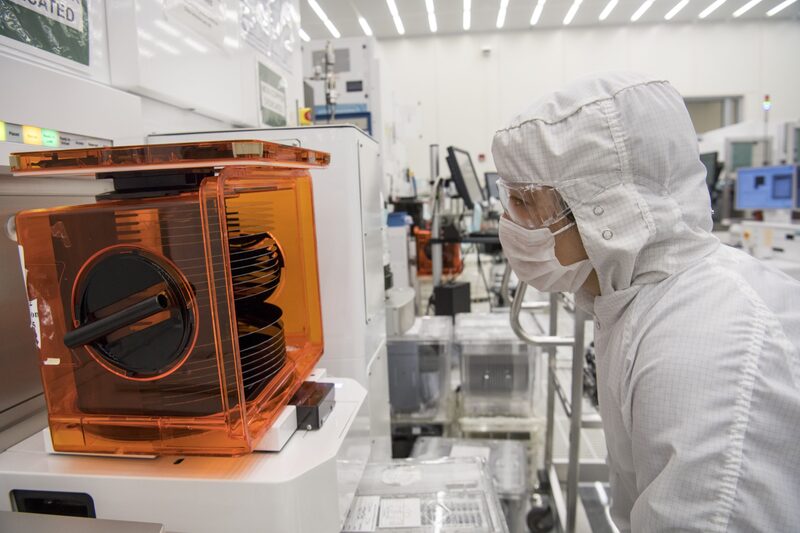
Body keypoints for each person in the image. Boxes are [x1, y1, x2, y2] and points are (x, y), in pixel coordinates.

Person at [493, 72, 800, 531]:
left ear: (604, 211)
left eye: (521, 201)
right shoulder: (641, 304)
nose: (506, 220)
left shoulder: (698, 348)